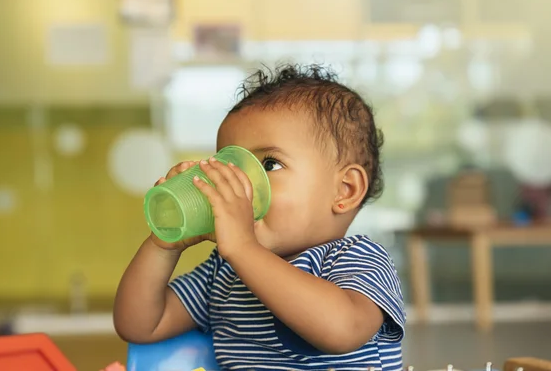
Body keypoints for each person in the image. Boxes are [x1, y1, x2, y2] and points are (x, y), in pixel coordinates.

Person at [114, 64, 405, 370]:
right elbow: (140, 325)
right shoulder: (224, 272)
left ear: (345, 190)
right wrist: (163, 245)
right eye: (232, 166)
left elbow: (341, 330)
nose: (243, 185)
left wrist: (243, 248)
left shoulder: (359, 258)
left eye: (269, 165)